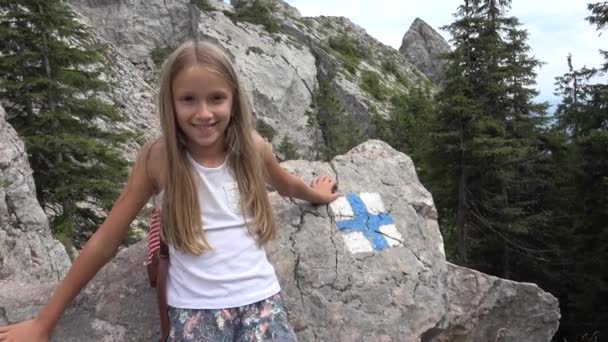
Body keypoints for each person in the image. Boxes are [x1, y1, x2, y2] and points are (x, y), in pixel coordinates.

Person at [0, 40, 339, 342]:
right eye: (188, 100)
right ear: (171, 103)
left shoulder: (252, 147)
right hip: (195, 312)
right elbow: (106, 240)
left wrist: (316, 194)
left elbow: (284, 183)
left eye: (216, 98)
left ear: (234, 100)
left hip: (262, 301)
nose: (204, 113)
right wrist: (43, 322)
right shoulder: (158, 158)